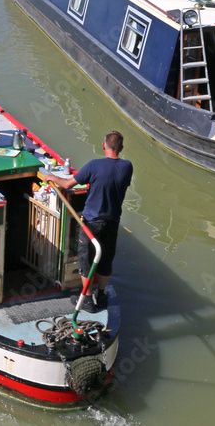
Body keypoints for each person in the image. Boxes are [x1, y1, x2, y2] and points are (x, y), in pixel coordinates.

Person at [41, 130, 132, 312]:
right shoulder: (127, 166)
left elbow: (67, 184)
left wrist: (52, 177)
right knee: (106, 259)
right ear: (121, 148)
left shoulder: (94, 165)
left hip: (92, 223)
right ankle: (102, 294)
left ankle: (88, 299)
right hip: (112, 221)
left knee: (86, 260)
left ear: (103, 145)